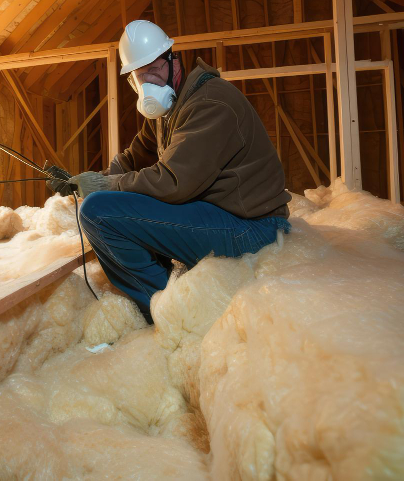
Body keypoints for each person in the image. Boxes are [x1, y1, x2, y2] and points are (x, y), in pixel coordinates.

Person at [66, 20, 291, 323]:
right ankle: (172, 287)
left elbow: (173, 182)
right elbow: (134, 158)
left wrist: (105, 187)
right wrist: (95, 178)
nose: (149, 81)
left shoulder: (211, 102)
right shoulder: (169, 108)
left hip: (254, 227)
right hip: (222, 213)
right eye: (139, 75)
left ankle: (170, 312)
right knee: (114, 202)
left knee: (98, 213)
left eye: (155, 69)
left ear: (174, 60)